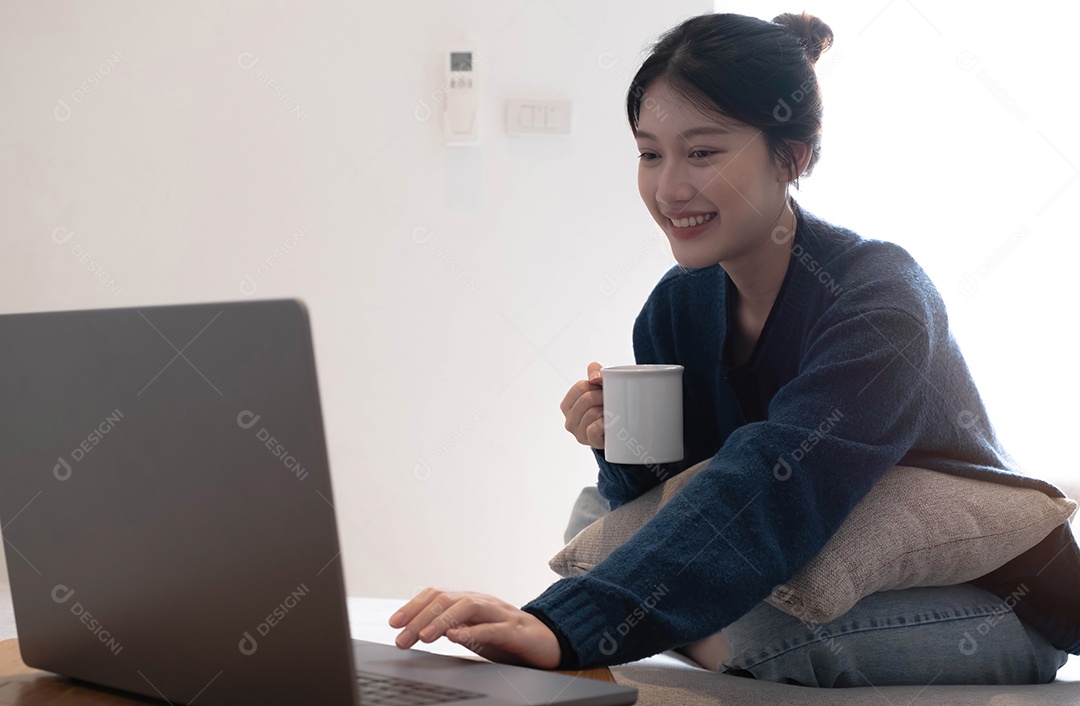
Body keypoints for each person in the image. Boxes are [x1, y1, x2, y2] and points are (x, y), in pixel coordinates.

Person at [389, 11, 1079, 686]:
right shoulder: (679, 302)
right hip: (784, 557)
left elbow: (778, 480)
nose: (668, 188)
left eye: (703, 152)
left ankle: (688, 627)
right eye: (649, 153)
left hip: (993, 607)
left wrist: (565, 626)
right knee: (592, 516)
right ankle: (687, 625)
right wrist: (617, 444)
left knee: (763, 628)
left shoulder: (882, 298)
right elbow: (662, 493)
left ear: (793, 157)